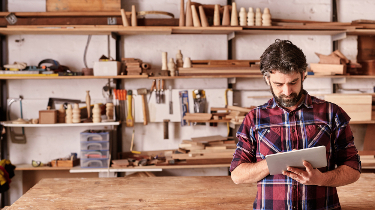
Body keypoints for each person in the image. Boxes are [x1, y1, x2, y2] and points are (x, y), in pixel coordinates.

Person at [230, 39, 361, 210]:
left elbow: (353, 168)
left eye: (293, 82)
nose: (287, 91)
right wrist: (274, 162)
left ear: (303, 74)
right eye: (278, 84)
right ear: (267, 79)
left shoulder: (332, 114)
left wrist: (321, 179)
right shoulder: (254, 119)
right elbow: (237, 175)